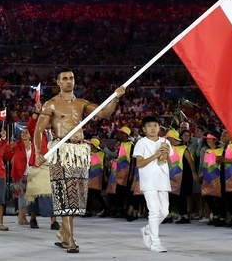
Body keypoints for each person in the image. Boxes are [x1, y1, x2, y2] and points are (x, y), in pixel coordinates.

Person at [34, 67, 125, 253]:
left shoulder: (82, 103)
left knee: (75, 197)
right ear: (58, 82)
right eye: (65, 78)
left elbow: (103, 113)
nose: (69, 81)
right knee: (65, 197)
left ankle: (64, 232)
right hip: (62, 151)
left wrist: (115, 97)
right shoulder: (51, 104)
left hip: (79, 153)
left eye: (71, 78)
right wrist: (37, 152)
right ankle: (70, 240)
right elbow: (38, 130)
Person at [133, 115, 173, 253]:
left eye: (155, 125)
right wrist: (156, 155)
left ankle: (148, 229)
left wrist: (166, 154)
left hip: (163, 179)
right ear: (144, 129)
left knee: (165, 212)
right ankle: (155, 243)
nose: (153, 128)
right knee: (154, 211)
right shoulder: (141, 143)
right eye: (149, 126)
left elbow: (170, 163)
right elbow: (139, 163)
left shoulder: (165, 142)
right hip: (149, 180)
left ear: (159, 127)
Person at [26, 102, 60, 231]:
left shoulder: (55, 134)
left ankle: (54, 221)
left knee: (52, 194)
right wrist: (36, 113)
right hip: (37, 165)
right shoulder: (37, 132)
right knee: (34, 193)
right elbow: (30, 126)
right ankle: (33, 218)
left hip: (50, 166)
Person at [10, 127, 34, 225]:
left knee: (28, 196)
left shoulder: (33, 146)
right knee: (21, 196)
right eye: (22, 132)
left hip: (30, 174)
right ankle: (21, 217)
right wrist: (10, 146)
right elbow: (9, 154)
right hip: (19, 174)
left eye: (26, 133)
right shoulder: (17, 145)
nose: (23, 134)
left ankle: (24, 217)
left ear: (30, 135)